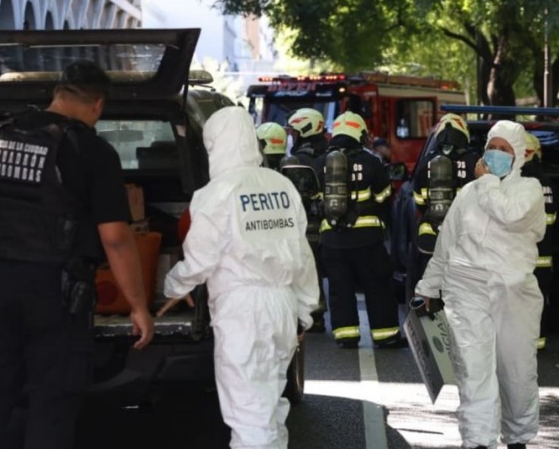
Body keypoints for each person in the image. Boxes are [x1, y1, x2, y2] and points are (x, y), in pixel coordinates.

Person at [0, 60, 155, 449]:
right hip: (54, 292)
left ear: (57, 94)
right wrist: (138, 306)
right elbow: (115, 238)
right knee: (53, 402)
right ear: (98, 105)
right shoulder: (92, 150)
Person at [157, 106, 319, 449]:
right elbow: (302, 253)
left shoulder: (216, 193)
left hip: (243, 311)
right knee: (271, 408)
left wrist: (170, 286)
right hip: (282, 305)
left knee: (248, 414)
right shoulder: (282, 186)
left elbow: (201, 257)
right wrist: (305, 310)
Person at [415, 120, 544, 449]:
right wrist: (428, 287)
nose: (496, 154)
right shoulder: (467, 193)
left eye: (505, 149)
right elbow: (446, 242)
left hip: (513, 294)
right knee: (473, 373)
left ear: (518, 156)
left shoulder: (528, 191)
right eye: (492, 147)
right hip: (466, 291)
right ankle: (478, 441)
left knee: (517, 372)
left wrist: (486, 182)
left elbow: (508, 214)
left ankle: (518, 438)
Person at [315, 111, 402, 349]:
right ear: (359, 134)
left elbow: (315, 199)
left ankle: (346, 336)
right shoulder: (371, 161)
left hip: (332, 239)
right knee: (378, 287)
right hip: (367, 240)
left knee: (339, 289)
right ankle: (386, 336)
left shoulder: (321, 162)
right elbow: (384, 196)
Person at [408, 113, 478, 304]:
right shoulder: (477, 163)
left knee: (428, 293)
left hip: (430, 239)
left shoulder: (427, 163)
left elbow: (420, 202)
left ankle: (430, 332)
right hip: (466, 242)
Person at [286, 107, 329, 330]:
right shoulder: (332, 153)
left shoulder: (299, 159)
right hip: (333, 222)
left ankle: (314, 315)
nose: (291, 136)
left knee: (309, 269)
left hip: (308, 221)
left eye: (294, 132)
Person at [521, 132, 555, 351]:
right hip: (543, 256)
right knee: (538, 300)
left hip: (518, 256)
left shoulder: (515, 183)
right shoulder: (546, 183)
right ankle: (537, 342)